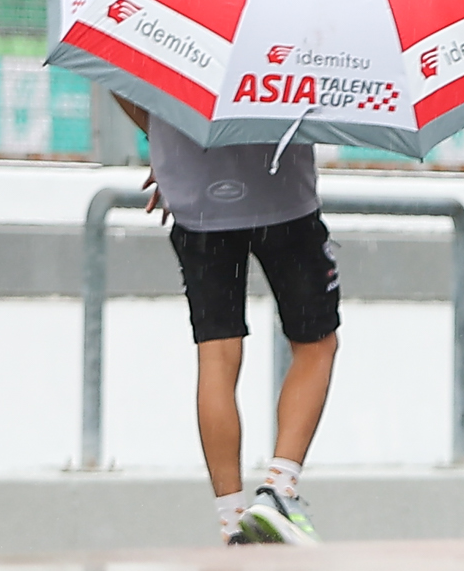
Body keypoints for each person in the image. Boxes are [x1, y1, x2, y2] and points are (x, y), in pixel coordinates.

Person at [117, 98, 336, 543]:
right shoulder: (294, 26)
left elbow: (122, 79)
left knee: (217, 355)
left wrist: (166, 143)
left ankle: (232, 520)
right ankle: (279, 489)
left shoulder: (168, 26)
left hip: (198, 195)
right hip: (284, 195)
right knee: (316, 344)